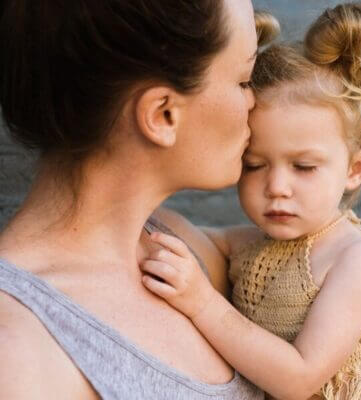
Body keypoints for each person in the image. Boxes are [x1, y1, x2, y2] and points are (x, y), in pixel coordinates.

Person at [0, 0, 268, 398]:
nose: (255, 102)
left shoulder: (180, 247)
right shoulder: (19, 351)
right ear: (162, 115)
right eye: (244, 81)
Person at [140, 3, 361, 399]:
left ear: (355, 168)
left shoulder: (356, 260)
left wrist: (203, 303)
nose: (277, 186)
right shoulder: (247, 246)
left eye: (304, 166)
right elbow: (178, 233)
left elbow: (299, 378)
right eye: (255, 164)